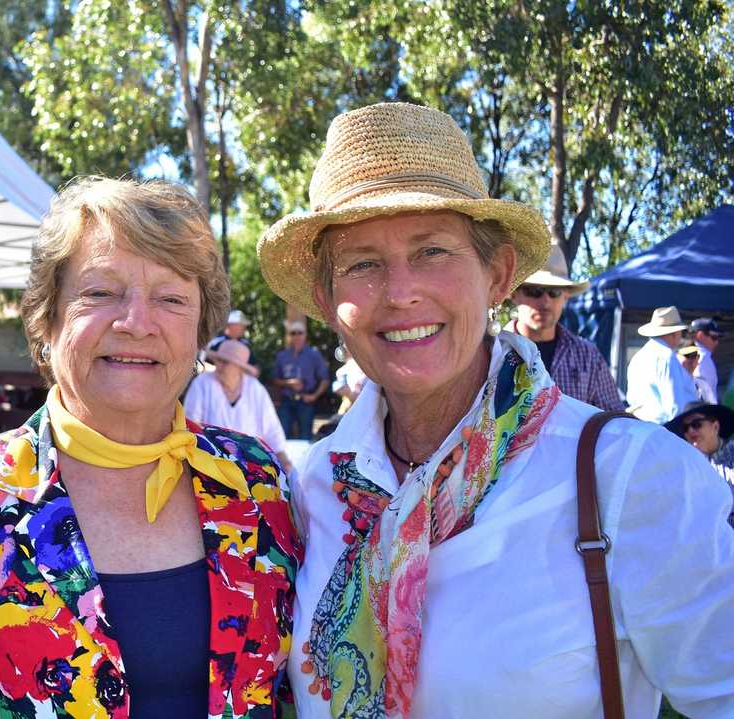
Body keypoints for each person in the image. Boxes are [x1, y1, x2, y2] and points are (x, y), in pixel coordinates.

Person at [258, 102, 734, 718]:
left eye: (432, 251)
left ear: (498, 274)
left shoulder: (631, 477)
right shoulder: (317, 487)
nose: (401, 292)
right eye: (363, 264)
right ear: (327, 299)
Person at [0, 177, 302, 718]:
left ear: (200, 333)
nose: (136, 324)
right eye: (100, 293)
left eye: (171, 299)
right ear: (46, 319)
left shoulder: (256, 482)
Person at [507, 242, 625, 411]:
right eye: (534, 291)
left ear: (566, 296)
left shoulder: (587, 356)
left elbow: (614, 419)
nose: (545, 301)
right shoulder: (490, 353)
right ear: (513, 294)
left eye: (554, 292)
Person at [184, 339, 290, 469]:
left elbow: (272, 429)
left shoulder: (255, 388)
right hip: (212, 462)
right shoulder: (203, 383)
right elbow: (190, 424)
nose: (219, 365)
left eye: (225, 362)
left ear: (239, 368)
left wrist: (283, 458)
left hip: (252, 463)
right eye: (218, 360)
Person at [627, 306, 699, 423]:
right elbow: (675, 406)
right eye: (680, 332)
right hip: (662, 428)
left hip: (639, 425)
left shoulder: (638, 356)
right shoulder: (667, 357)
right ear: (674, 334)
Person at [272, 320, 329, 440]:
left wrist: (314, 396)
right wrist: (288, 383)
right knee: (282, 437)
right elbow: (274, 380)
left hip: (306, 401)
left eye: (300, 333)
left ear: (305, 335)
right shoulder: (282, 356)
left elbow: (325, 379)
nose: (297, 336)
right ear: (289, 336)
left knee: (305, 438)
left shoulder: (314, 355)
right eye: (293, 333)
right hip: (286, 401)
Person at [690, 317, 723, 395]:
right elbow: (706, 397)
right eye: (714, 337)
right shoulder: (703, 358)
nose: (717, 342)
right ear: (700, 336)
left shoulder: (679, 354)